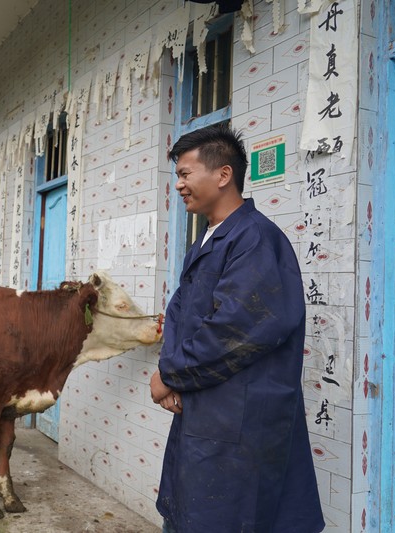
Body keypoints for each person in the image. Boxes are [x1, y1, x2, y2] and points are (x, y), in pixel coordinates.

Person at [150, 124, 325, 532]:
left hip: (239, 425)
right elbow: (179, 312)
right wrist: (170, 369)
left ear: (223, 175)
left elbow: (232, 331)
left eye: (185, 174)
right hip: (207, 415)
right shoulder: (209, 239)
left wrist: (169, 374)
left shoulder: (257, 239)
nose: (179, 185)